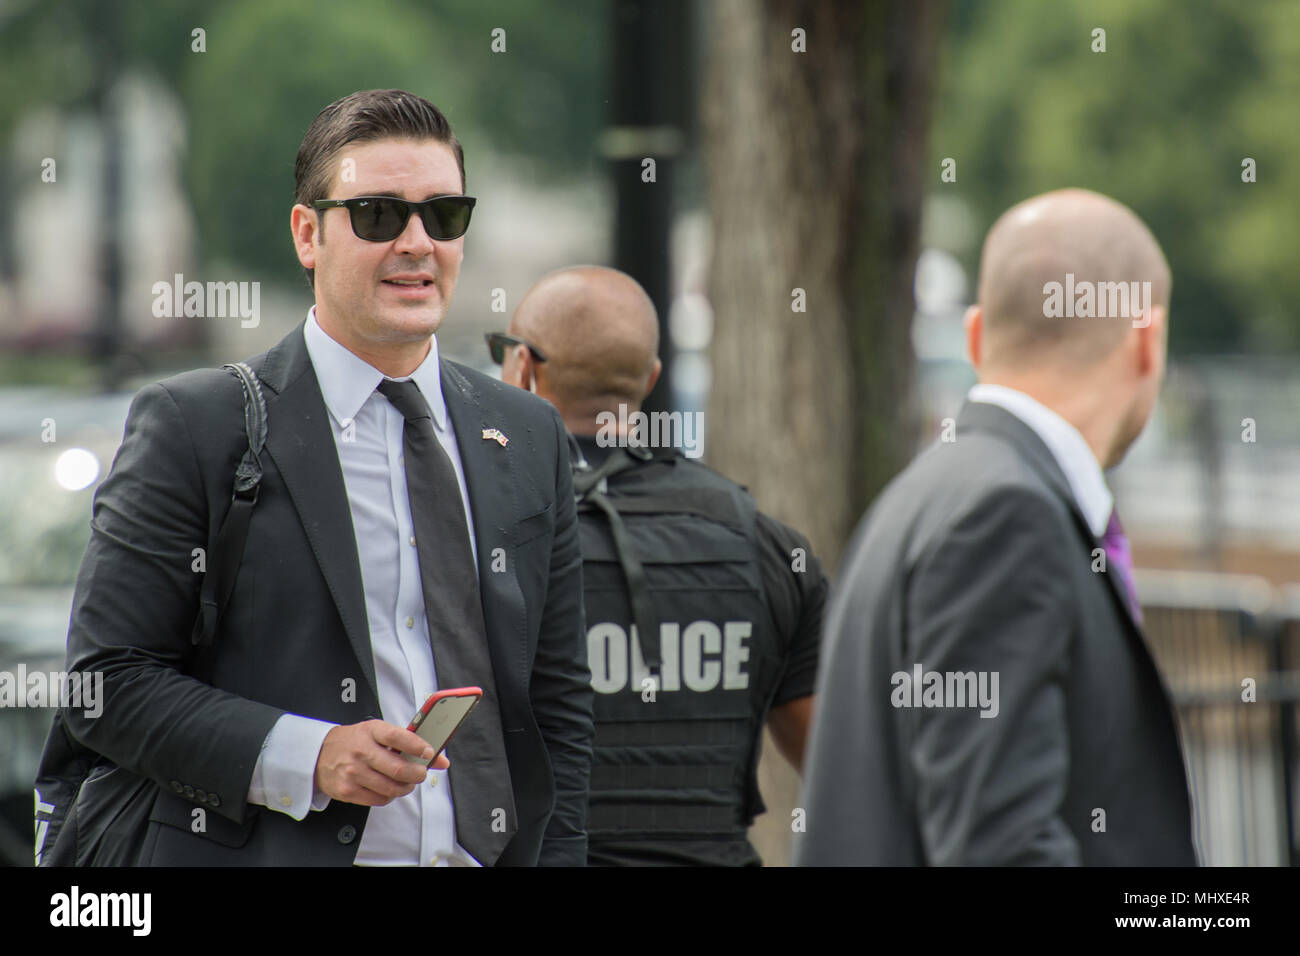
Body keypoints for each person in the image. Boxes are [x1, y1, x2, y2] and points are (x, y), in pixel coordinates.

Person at [53, 89, 592, 866]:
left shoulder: (527, 433)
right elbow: (106, 684)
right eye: (378, 215)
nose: (417, 242)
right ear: (308, 234)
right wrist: (308, 756)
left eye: (444, 215)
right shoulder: (195, 425)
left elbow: (558, 707)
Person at [795, 189, 1198, 866]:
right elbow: (1000, 849)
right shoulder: (1005, 515)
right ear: (1146, 340)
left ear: (976, 335)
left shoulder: (938, 492)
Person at [492, 265, 827, 866]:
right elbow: (836, 766)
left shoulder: (478, 538)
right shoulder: (767, 545)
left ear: (523, 368)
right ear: (650, 379)